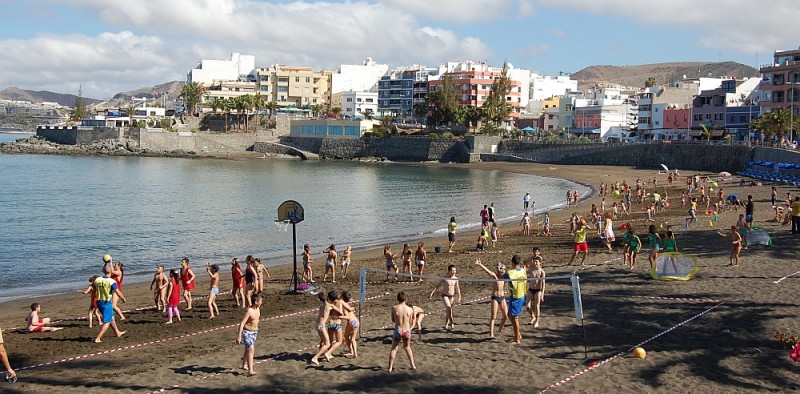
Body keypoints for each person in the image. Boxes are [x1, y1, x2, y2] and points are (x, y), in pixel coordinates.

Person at [94, 262, 127, 343]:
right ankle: (98, 338)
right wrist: (123, 298)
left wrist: (105, 264)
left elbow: (94, 291)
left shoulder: (97, 280)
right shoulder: (111, 281)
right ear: (110, 272)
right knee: (107, 322)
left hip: (99, 302)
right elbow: (117, 291)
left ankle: (117, 332)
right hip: (106, 303)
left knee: (111, 318)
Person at [475, 258, 508, 337]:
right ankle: (491, 333)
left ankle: (500, 328)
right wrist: (480, 264)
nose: (502, 270)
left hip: (502, 297)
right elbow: (487, 271)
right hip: (495, 297)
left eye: (503, 269)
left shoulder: (505, 277)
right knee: (493, 316)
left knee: (505, 316)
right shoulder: (495, 275)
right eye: (501, 269)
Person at [310, 291, 342, 366]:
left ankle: (323, 354)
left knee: (323, 341)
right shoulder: (331, 306)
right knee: (327, 344)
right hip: (321, 326)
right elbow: (340, 312)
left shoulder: (322, 306)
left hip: (317, 325)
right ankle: (315, 357)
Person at [388, 291, 417, 372]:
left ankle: (390, 367)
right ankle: (412, 365)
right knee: (407, 347)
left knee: (394, 349)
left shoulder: (394, 308)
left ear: (397, 299)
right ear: (406, 299)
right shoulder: (410, 309)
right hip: (406, 330)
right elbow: (410, 321)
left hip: (398, 330)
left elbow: (393, 320)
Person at [236, 293, 262, 376]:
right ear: (256, 302)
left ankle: (244, 365)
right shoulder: (249, 311)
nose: (261, 303)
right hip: (247, 332)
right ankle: (250, 370)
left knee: (247, 349)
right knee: (251, 349)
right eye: (260, 301)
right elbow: (242, 323)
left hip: (254, 332)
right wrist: (239, 336)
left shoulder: (258, 308)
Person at [429, 265, 461, 331]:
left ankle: (446, 324)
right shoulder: (445, 278)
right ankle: (452, 322)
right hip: (445, 295)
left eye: (454, 270)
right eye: (452, 270)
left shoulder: (455, 278)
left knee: (448, 311)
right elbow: (438, 285)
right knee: (449, 308)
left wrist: (459, 297)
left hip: (452, 296)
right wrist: (432, 293)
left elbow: (457, 288)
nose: (453, 272)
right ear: (449, 271)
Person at [504, 254, 526, 344]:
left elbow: (500, 277)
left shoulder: (510, 273)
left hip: (516, 297)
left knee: (514, 318)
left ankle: (517, 339)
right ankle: (518, 335)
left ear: (512, 263)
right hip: (521, 295)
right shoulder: (523, 271)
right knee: (510, 315)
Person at [526, 258, 546, 328]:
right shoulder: (531, 270)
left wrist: (542, 294)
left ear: (540, 263)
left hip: (538, 290)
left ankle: (537, 321)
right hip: (531, 289)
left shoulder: (542, 272)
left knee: (537, 306)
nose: (535, 263)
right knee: (527, 306)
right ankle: (533, 317)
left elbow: (543, 284)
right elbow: (524, 272)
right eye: (534, 262)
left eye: (536, 262)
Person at [340, 291, 359, 359]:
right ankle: (354, 353)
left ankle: (352, 352)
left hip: (351, 322)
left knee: (346, 336)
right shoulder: (347, 304)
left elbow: (347, 317)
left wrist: (339, 317)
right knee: (352, 338)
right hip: (356, 321)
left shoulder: (344, 306)